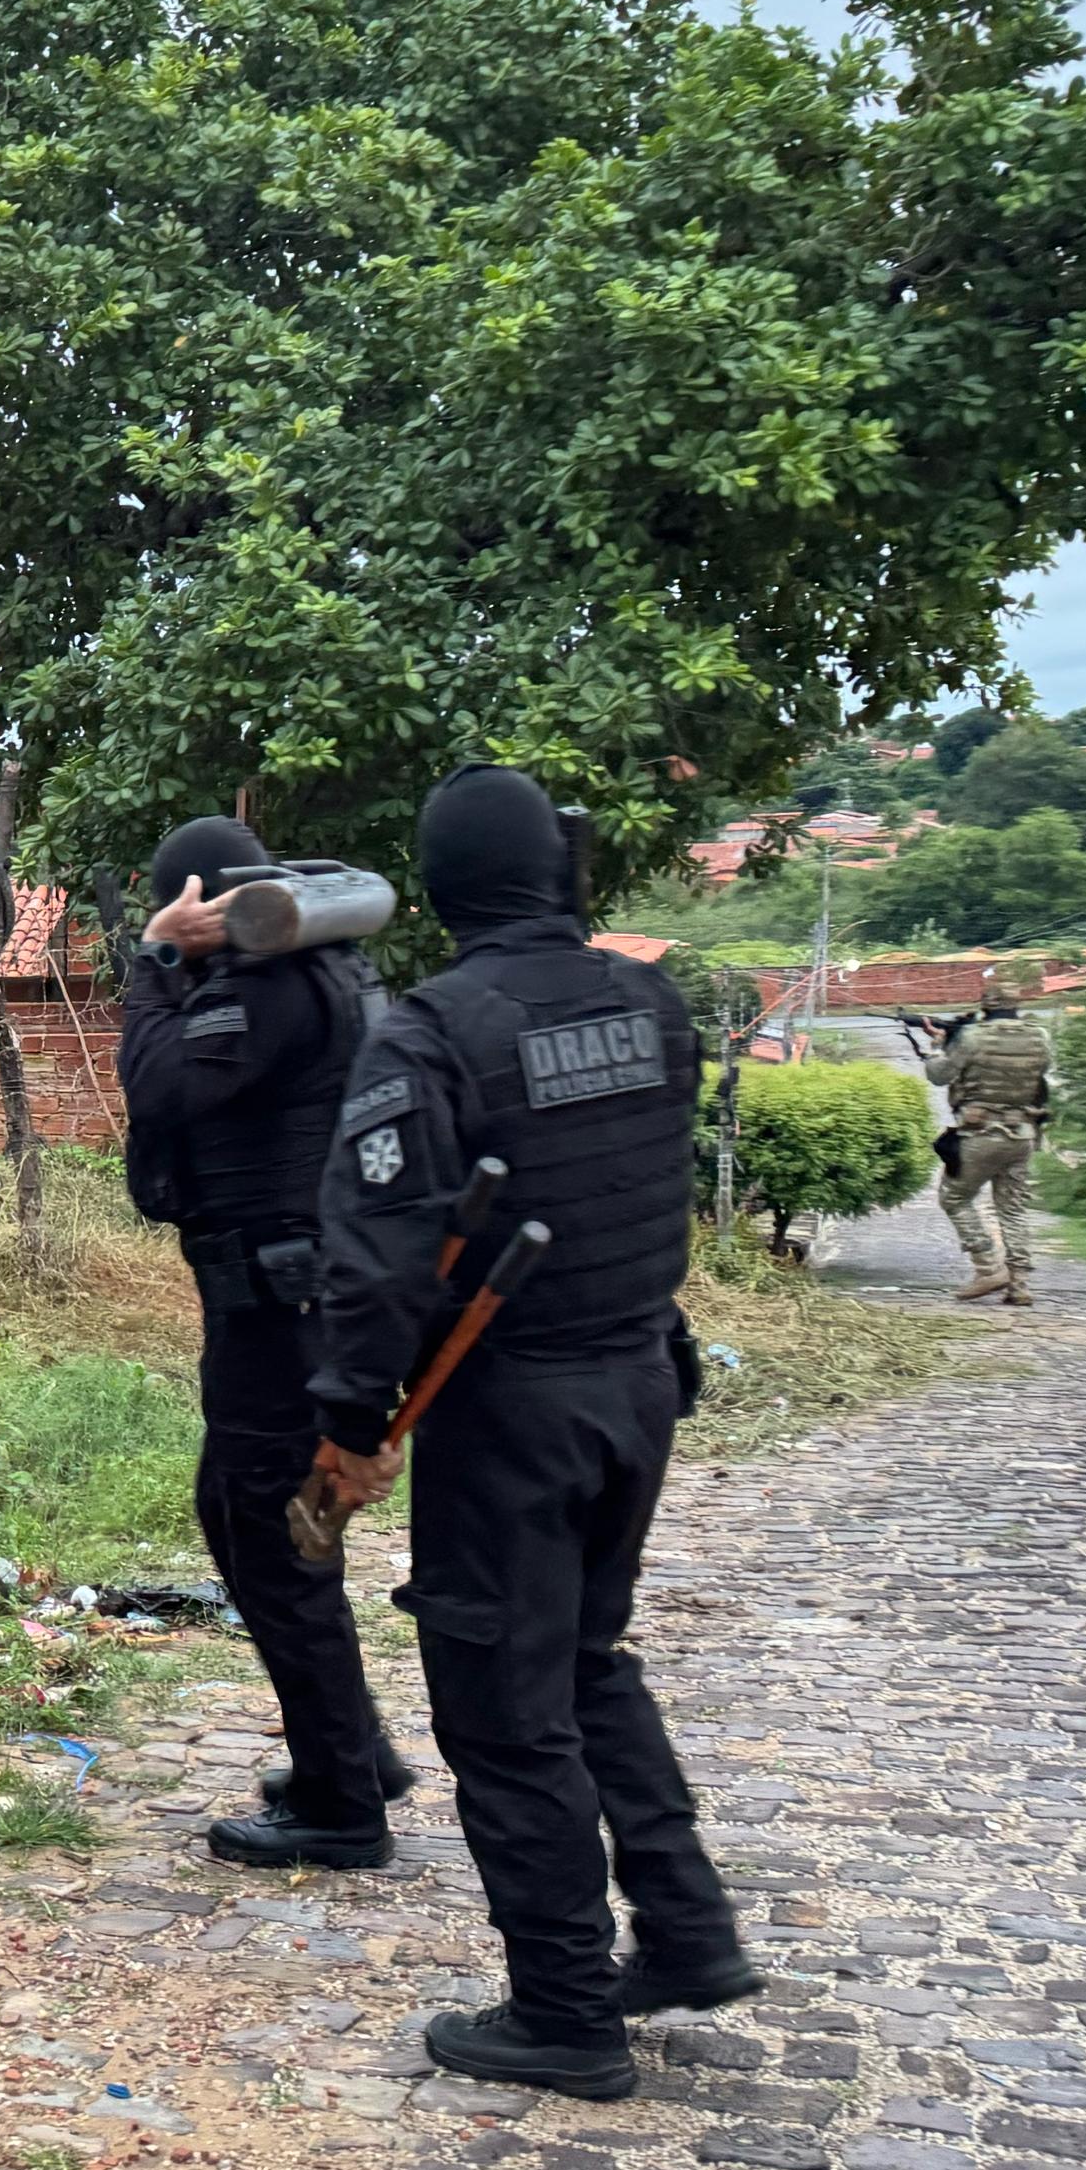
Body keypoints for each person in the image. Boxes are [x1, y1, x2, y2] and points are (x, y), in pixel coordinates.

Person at [307, 766, 756, 2100]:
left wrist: (350, 1419)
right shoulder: (651, 999)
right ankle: (681, 1927)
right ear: (563, 872)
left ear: (438, 893)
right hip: (638, 1381)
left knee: (506, 1706)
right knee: (582, 1659)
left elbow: (380, 1261)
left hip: (510, 1410)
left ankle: (564, 2005)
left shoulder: (435, 1031)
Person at [117, 813, 416, 1867]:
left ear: (204, 904)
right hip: (290, 1297)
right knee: (241, 1517)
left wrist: (153, 960)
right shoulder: (326, 972)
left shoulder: (263, 987)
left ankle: (341, 1803)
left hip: (279, 1304)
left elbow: (156, 1084)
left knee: (271, 1540)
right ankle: (354, 1755)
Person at [925, 996, 1054, 1305]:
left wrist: (939, 1045)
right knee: (1012, 1209)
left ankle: (987, 1267)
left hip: (980, 1133)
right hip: (1023, 1133)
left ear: (986, 1008)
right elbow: (1043, 1071)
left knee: (954, 1197)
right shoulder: (1039, 1035)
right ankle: (1019, 1284)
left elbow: (939, 1075)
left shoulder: (973, 1037)